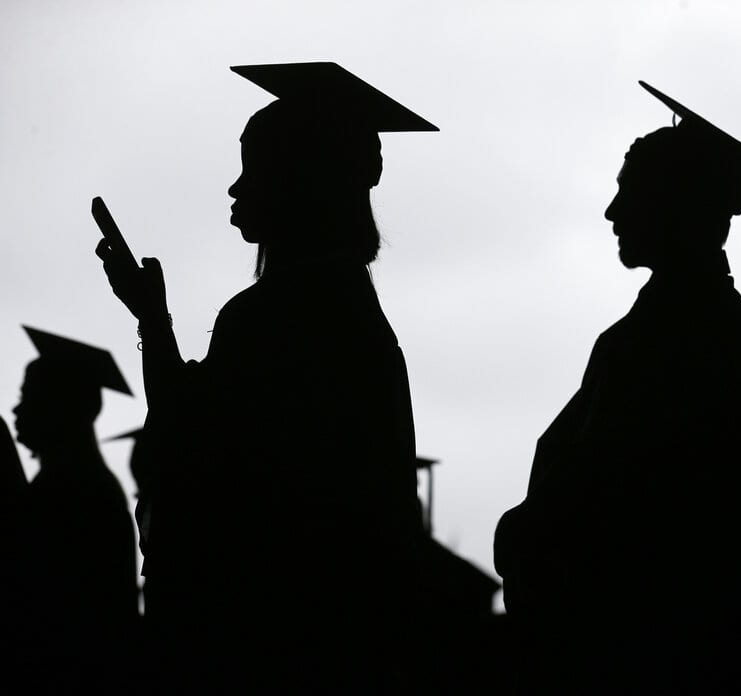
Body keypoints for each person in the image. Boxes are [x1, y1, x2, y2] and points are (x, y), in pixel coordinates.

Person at [95, 62, 435, 692]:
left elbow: (189, 455)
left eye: (253, 167)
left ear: (299, 181)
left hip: (271, 643)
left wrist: (155, 324)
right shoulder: (347, 313)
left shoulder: (279, 318)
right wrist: (153, 320)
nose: (235, 187)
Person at [493, 81, 741, 693]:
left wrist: (523, 534)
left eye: (629, 191)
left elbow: (622, 503)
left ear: (678, 204)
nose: (612, 211)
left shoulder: (690, 334)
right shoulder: (686, 324)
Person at [8, 327, 139, 693]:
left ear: (64, 408)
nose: (17, 408)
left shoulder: (74, 491)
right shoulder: (85, 484)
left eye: (29, 396)